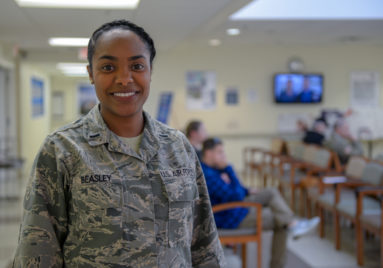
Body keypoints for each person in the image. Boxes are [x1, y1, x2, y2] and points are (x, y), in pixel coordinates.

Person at [13, 20, 225, 267]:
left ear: (150, 71)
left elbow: (204, 243)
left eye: (136, 65)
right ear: (91, 73)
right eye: (108, 67)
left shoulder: (178, 147)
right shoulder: (62, 150)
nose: (124, 79)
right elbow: (37, 251)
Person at [201, 137, 320, 268]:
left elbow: (237, 191)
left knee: (271, 192)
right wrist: (229, 169)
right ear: (209, 153)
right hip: (229, 217)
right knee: (279, 221)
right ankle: (290, 227)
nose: (224, 156)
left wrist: (247, 190)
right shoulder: (208, 174)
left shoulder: (212, 169)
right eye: (220, 152)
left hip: (233, 209)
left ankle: (292, 223)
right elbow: (236, 196)